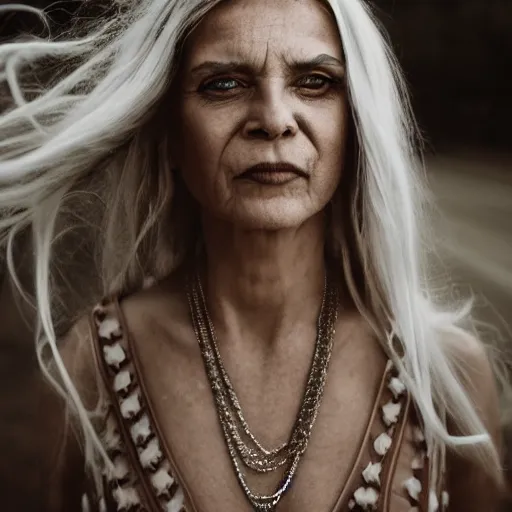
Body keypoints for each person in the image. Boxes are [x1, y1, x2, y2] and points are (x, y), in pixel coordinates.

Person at [0, 0, 505, 510]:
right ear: (171, 131)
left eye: (314, 81)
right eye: (223, 84)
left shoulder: (446, 376)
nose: (274, 119)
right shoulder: (88, 372)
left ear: (355, 123)